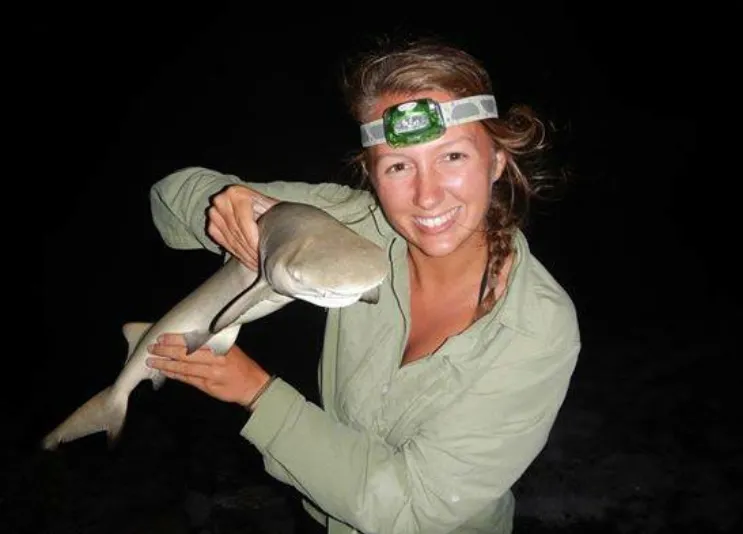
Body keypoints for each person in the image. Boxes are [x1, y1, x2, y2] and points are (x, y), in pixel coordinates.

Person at [145, 36, 580, 534]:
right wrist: (226, 202)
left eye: (453, 157)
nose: (428, 195)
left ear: (497, 160)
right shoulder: (351, 222)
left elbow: (411, 510)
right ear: (371, 175)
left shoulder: (538, 328)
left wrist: (258, 394)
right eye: (398, 165)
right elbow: (167, 204)